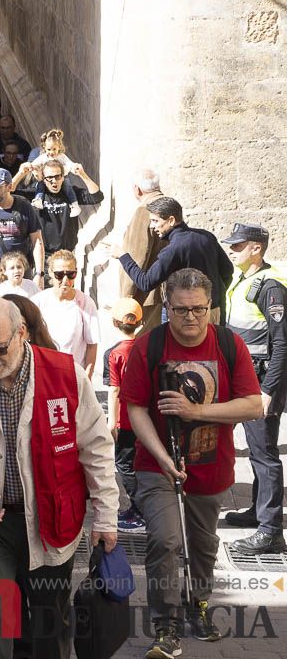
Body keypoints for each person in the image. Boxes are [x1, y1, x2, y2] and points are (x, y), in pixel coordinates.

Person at [0, 297, 119, 659]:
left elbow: (96, 450)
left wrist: (106, 517)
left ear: (22, 334)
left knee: (51, 626)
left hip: (52, 521)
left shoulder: (66, 374)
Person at [120, 268, 264, 657]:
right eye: (181, 310)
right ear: (167, 307)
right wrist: (163, 457)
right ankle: (165, 627)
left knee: (203, 545)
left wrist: (196, 411)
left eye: (198, 309)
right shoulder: (148, 347)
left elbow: (253, 405)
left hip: (211, 464)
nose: (190, 318)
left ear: (211, 309)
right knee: (165, 541)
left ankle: (197, 605)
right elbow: (135, 409)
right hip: (158, 462)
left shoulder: (230, 345)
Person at [219, 224, 287, 555]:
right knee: (258, 449)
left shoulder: (270, 286)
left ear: (256, 248)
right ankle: (258, 513)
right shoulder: (248, 279)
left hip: (260, 383)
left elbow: (282, 343)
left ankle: (271, 531)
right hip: (247, 378)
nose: (232, 250)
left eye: (238, 245)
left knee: (264, 454)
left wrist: (269, 390)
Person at [111, 196, 234, 323]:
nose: (152, 226)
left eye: (155, 221)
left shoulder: (174, 249)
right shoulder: (207, 236)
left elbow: (145, 283)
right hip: (212, 311)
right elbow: (227, 271)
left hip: (186, 317)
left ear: (171, 220)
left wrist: (123, 257)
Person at [103, 297, 146, 532]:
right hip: (144, 418)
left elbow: (114, 389)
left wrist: (112, 421)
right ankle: (138, 508)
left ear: (113, 322)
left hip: (126, 421)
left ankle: (140, 510)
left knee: (125, 465)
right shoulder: (145, 349)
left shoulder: (114, 354)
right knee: (137, 464)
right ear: (139, 322)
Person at [0, 167, 44, 297]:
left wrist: (39, 273)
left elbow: (37, 240)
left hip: (20, 270)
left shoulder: (24, 207)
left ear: (9, 186)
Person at [14, 159, 103, 254]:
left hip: (68, 253)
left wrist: (82, 174)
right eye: (50, 177)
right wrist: (20, 173)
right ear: (43, 179)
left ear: (63, 177)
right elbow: (8, 193)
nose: (54, 181)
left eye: (57, 176)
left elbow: (96, 196)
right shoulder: (36, 195)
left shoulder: (71, 194)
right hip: (44, 254)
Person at [33, 250, 99, 376]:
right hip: (44, 374)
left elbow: (92, 345)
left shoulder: (86, 303)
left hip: (73, 376)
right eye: (59, 274)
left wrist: (87, 379)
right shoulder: (38, 302)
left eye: (70, 274)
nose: (65, 280)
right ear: (50, 273)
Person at [119, 169, 168, 333]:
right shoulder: (169, 205)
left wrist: (126, 299)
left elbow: (137, 257)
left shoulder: (144, 211)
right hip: (164, 291)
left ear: (137, 189)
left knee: (143, 347)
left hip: (147, 295)